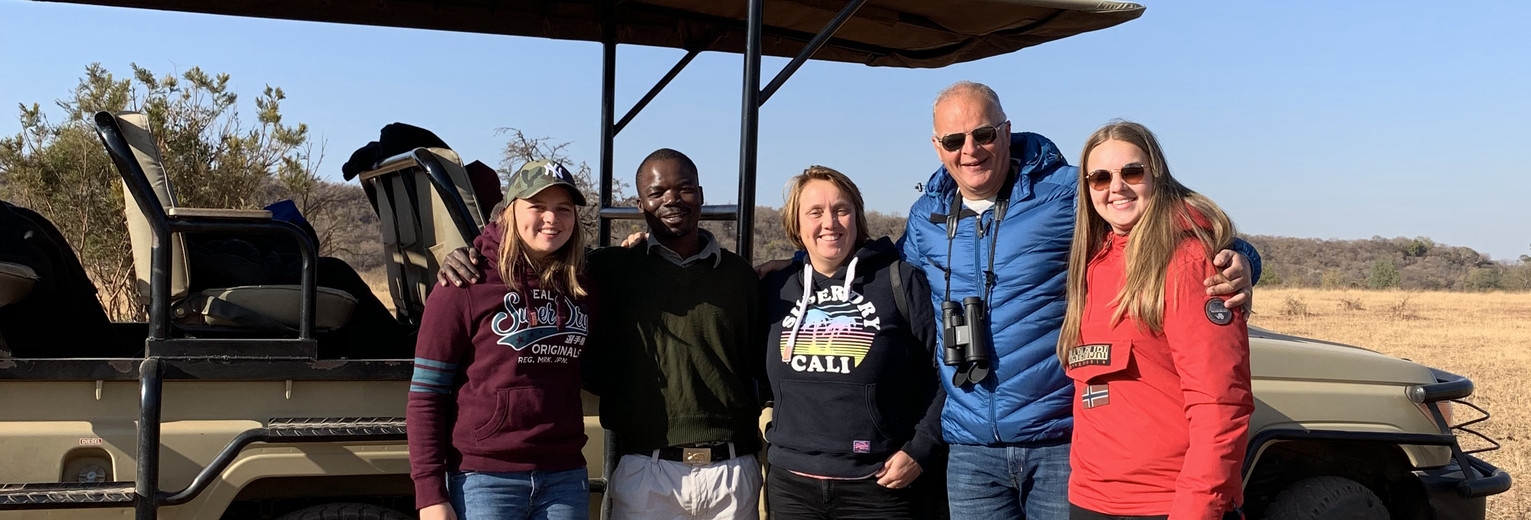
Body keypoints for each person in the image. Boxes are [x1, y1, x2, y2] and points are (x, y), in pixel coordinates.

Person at [897, 81, 1258, 519]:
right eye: (954, 140)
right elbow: (881, 276)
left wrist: (1240, 259)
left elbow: (1170, 217)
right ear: (938, 147)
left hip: (1058, 439)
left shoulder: (1066, 191)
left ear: (1007, 131)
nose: (970, 149)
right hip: (972, 450)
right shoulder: (925, 218)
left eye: (984, 134)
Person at [438, 148, 765, 519]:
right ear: (641, 204)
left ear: (701, 195)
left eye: (684, 189)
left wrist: (793, 264)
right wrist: (469, 253)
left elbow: (760, 363)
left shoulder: (741, 276)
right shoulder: (609, 270)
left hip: (732, 472)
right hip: (646, 471)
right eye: (657, 193)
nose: (672, 199)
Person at [1057, 121, 1251, 520]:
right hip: (1092, 499)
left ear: (1156, 175)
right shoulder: (1092, 262)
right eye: (1100, 177)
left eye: (1131, 172)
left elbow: (1220, 402)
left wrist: (1197, 508)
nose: (1116, 187)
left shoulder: (1187, 261)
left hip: (1165, 502)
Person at [408, 160, 596, 520]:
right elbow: (427, 395)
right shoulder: (465, 283)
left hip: (565, 478)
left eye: (563, 209)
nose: (551, 219)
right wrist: (430, 494)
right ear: (509, 211)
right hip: (483, 480)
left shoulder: (583, 286)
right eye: (537, 206)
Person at [759, 166, 944, 519]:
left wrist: (921, 449)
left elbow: (941, 375)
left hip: (878, 486)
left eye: (841, 210)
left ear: (857, 218)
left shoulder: (899, 281)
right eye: (815, 212)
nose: (829, 222)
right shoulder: (775, 288)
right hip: (791, 488)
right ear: (796, 225)